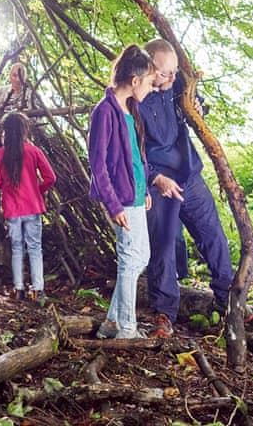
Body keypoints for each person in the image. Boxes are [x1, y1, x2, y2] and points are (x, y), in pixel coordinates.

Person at [141, 38, 235, 338]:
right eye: (164, 73)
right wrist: (153, 178)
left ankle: (229, 299)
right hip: (158, 182)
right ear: (148, 67)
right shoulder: (135, 96)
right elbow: (131, 151)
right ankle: (164, 314)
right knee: (164, 246)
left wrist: (197, 108)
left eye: (173, 72)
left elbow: (196, 103)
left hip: (188, 176)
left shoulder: (178, 81)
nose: (170, 78)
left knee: (213, 236)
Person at [88, 44, 156, 340]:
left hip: (137, 197)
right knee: (130, 259)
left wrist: (146, 188)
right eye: (151, 83)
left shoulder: (130, 109)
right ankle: (127, 328)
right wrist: (113, 204)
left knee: (142, 258)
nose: (152, 89)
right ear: (135, 81)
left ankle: (112, 322)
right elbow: (98, 165)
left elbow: (136, 158)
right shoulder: (104, 112)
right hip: (121, 201)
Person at [0, 112, 56, 302]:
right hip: (33, 207)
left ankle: (18, 289)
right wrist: (37, 190)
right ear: (24, 130)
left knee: (17, 248)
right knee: (35, 248)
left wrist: (7, 188)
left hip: (12, 209)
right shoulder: (33, 151)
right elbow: (51, 177)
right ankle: (38, 291)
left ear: (6, 132)